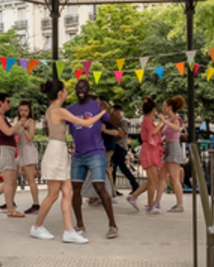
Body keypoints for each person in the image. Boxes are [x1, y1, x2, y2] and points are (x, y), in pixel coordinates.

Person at [31, 78, 107, 244]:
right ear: (60, 93)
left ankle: (69, 231)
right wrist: (102, 112)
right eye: (65, 90)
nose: (67, 92)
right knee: (52, 195)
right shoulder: (58, 110)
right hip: (55, 152)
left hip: (59, 151)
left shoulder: (52, 109)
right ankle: (37, 227)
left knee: (68, 192)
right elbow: (86, 123)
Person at [66, 79, 120, 238]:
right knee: (75, 189)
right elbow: (56, 126)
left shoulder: (97, 107)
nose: (80, 90)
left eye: (83, 87)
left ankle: (112, 225)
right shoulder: (69, 110)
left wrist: (108, 111)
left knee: (99, 187)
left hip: (96, 153)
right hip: (78, 154)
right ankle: (80, 224)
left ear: (88, 89)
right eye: (78, 88)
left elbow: (116, 124)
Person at [0, 92, 25, 217]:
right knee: (9, 181)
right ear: (1, 102)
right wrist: (19, 123)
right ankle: (10, 209)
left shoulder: (1, 116)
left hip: (9, 149)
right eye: (7, 101)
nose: (9, 104)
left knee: (11, 180)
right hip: (5, 149)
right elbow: (8, 132)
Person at [127, 97, 166, 213]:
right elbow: (152, 132)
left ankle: (134, 196)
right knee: (154, 180)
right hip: (149, 151)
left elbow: (155, 132)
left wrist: (161, 124)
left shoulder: (147, 121)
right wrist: (162, 121)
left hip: (150, 151)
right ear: (153, 109)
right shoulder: (147, 121)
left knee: (152, 180)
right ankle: (150, 205)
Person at [156, 96, 187, 213]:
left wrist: (164, 121)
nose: (162, 108)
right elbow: (159, 132)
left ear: (169, 107)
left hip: (174, 148)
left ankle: (180, 204)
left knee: (174, 178)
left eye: (164, 106)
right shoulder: (167, 121)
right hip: (168, 148)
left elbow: (177, 128)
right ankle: (156, 202)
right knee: (161, 176)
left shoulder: (176, 118)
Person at [104, 103, 139, 197]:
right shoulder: (118, 120)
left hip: (120, 146)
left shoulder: (122, 121)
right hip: (117, 146)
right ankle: (114, 188)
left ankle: (134, 184)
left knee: (122, 166)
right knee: (115, 167)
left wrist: (115, 126)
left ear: (117, 111)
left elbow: (122, 134)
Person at [14, 101, 41, 215]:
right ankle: (9, 201)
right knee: (13, 177)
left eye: (25, 110)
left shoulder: (31, 122)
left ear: (29, 111)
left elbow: (30, 138)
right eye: (21, 110)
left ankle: (36, 203)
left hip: (28, 150)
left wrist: (24, 127)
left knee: (30, 180)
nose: (23, 113)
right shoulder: (17, 120)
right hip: (20, 150)